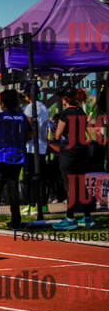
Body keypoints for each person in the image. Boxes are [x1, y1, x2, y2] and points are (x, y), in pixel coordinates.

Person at [0, 89, 30, 229]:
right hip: (16, 157)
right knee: (13, 188)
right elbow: (30, 135)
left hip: (0, 157)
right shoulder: (22, 117)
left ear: (2, 103)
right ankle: (16, 220)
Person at [52, 87, 95, 229]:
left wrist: (53, 129)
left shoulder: (65, 114)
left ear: (65, 99)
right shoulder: (81, 112)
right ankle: (87, 217)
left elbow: (57, 136)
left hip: (69, 153)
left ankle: (70, 218)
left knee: (69, 185)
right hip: (81, 151)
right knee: (81, 184)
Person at [21, 88, 49, 215]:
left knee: (30, 177)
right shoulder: (44, 107)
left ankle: (32, 204)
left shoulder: (30, 107)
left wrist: (25, 139)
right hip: (42, 147)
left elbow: (28, 125)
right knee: (40, 177)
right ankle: (42, 205)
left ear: (28, 95)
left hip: (32, 147)